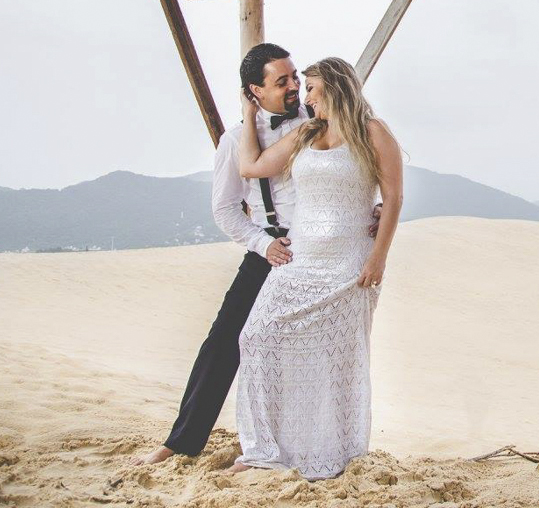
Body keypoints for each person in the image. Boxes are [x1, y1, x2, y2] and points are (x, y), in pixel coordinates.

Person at [132, 44, 381, 466]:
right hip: (269, 250)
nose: (295, 88)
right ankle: (181, 442)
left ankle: (309, 446)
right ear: (254, 90)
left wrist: (369, 207)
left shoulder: (318, 121)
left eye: (295, 79)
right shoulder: (235, 140)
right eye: (282, 81)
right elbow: (225, 209)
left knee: (316, 349)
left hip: (321, 252)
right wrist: (263, 244)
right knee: (225, 341)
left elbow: (355, 168)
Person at [229, 56, 403, 480]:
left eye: (310, 88)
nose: (304, 97)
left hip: (349, 265)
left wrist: (377, 257)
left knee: (335, 361)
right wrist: (249, 115)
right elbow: (251, 166)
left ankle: (328, 455)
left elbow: (393, 198)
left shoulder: (373, 132)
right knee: (255, 336)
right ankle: (264, 449)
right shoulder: (308, 133)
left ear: (335, 87)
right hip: (300, 259)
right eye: (304, 88)